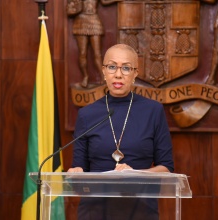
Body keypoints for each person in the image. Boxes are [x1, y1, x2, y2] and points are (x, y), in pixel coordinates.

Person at [68, 44, 174, 220]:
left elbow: (166, 168)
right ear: (103, 71)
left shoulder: (153, 111)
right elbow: (80, 167)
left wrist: (135, 174)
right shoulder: (87, 114)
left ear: (135, 73)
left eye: (126, 68)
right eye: (112, 66)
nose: (118, 74)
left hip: (140, 210)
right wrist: (75, 172)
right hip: (95, 211)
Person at [67, 0, 119, 88]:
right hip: (81, 21)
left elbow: (104, 1)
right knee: (82, 53)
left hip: (94, 20)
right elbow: (69, 10)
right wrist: (75, 7)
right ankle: (85, 76)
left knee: (97, 54)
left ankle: (103, 76)